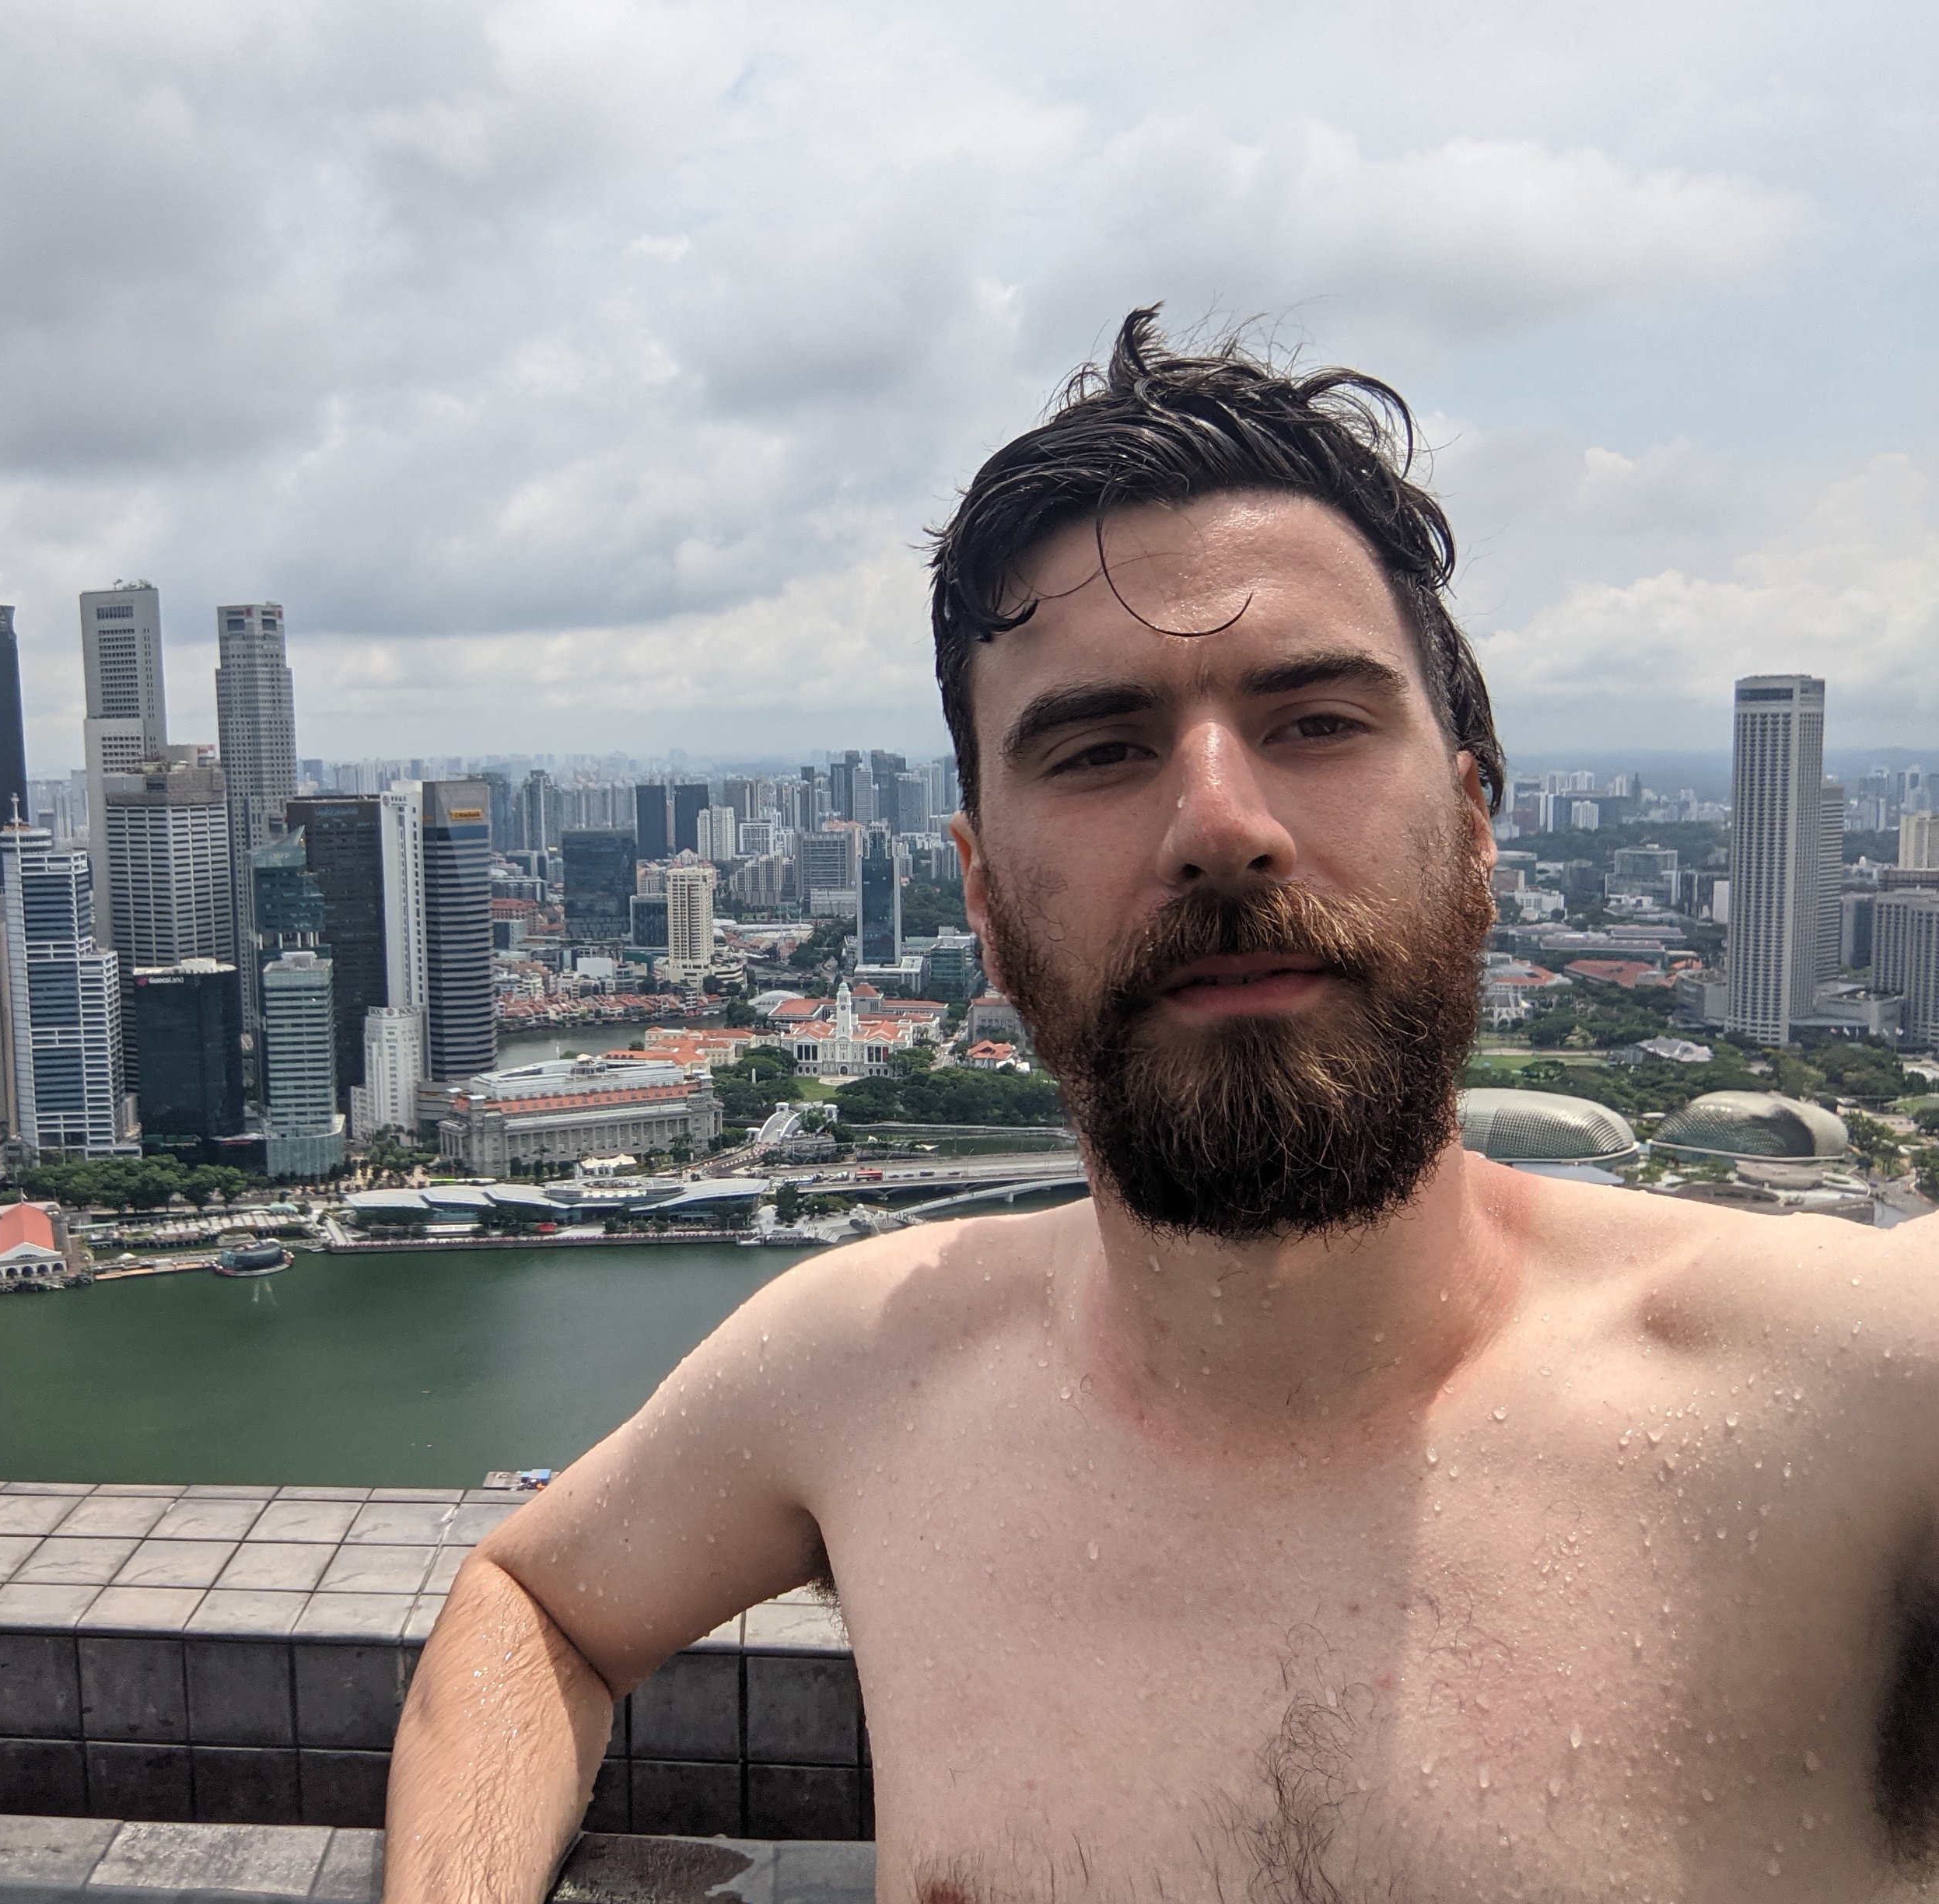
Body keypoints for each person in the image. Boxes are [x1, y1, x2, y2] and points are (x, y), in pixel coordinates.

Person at [383, 310, 1938, 1902]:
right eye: (1100, 749)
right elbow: (538, 1607)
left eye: (1317, 722)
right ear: (979, 897)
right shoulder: (862, 1372)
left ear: (1478, 831)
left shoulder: (1848, 1389)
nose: (1219, 822)